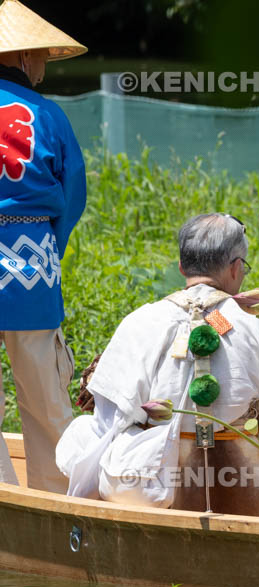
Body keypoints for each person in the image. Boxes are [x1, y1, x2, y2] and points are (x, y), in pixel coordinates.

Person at [55, 214, 259, 516]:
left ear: (183, 267)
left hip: (154, 488)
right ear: (236, 268)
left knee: (83, 433)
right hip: (251, 485)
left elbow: (108, 424)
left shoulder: (140, 323)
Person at [0, 0, 87, 491]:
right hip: (28, 262)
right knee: (44, 396)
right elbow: (72, 192)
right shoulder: (47, 115)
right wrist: (48, 248)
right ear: (25, 56)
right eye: (43, 56)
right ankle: (59, 504)